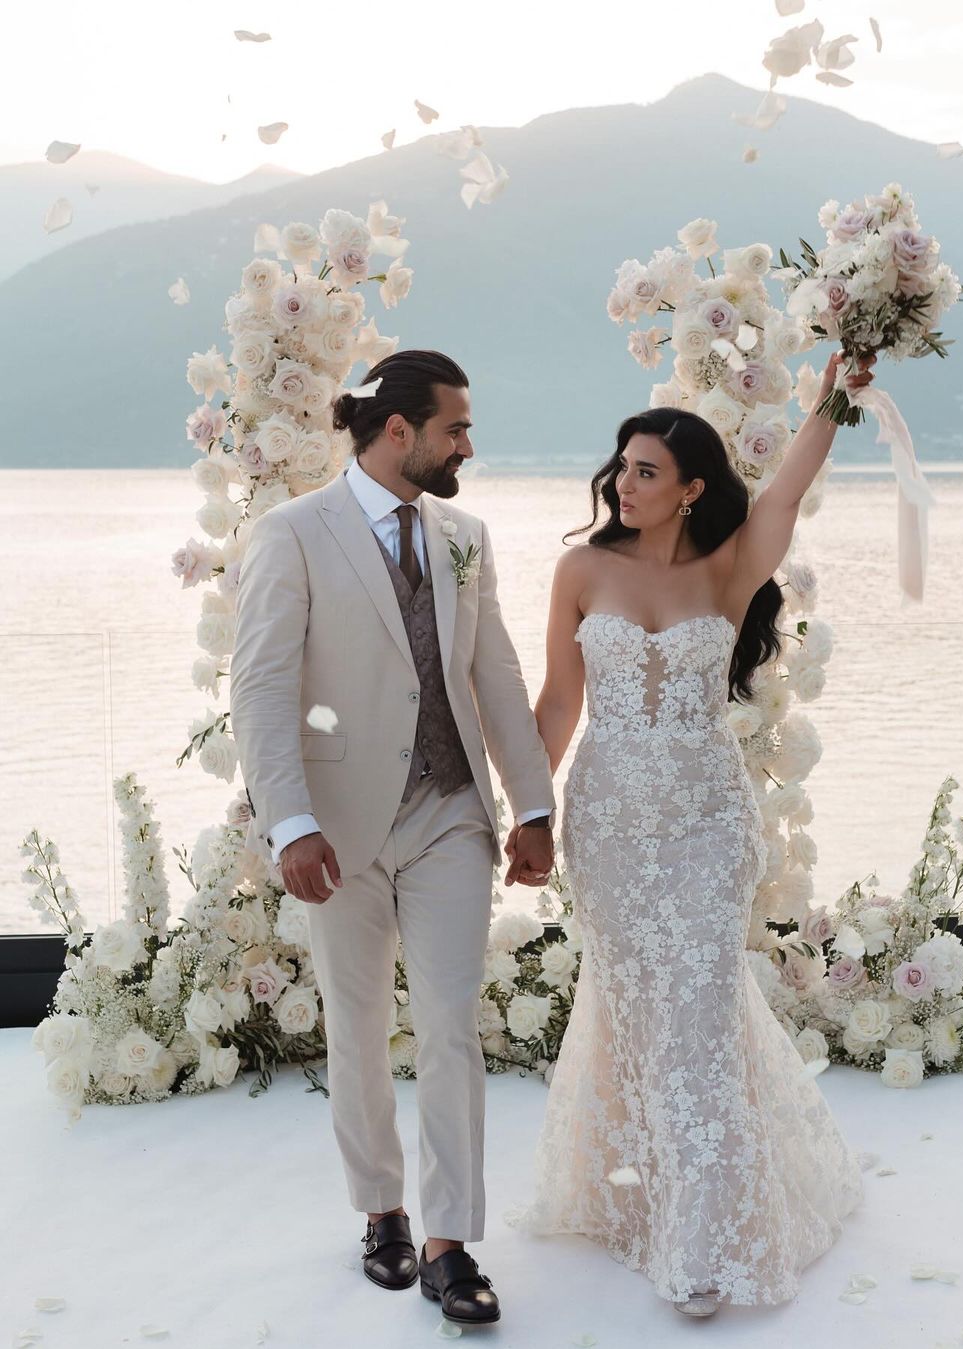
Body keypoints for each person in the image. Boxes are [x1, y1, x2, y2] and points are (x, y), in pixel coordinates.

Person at [504, 351, 874, 1316]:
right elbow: (557, 703)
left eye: (646, 472)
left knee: (702, 1011)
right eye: (621, 467)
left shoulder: (730, 567)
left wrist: (840, 391)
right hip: (613, 823)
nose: (623, 484)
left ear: (690, 489)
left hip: (709, 821)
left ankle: (701, 1236)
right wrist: (531, 818)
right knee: (637, 1007)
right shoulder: (580, 570)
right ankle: (636, 1186)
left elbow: (789, 489)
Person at [230, 349, 556, 1329]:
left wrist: (533, 803)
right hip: (337, 826)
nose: (469, 443)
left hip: (451, 812)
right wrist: (289, 823)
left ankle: (452, 1242)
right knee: (359, 1024)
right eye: (456, 426)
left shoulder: (466, 534)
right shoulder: (291, 534)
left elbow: (493, 670)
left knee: (455, 1020)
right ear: (399, 430)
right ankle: (382, 1206)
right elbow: (260, 686)